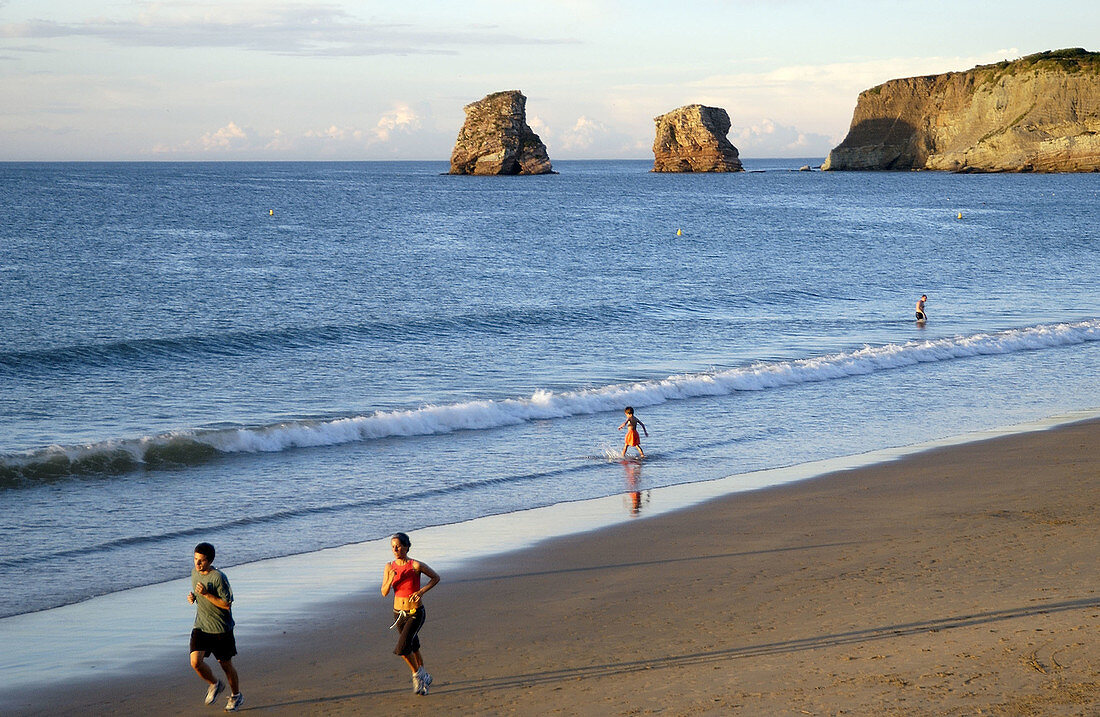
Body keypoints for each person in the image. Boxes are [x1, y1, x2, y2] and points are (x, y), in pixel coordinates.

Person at [381, 532, 441, 696]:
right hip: (398, 614)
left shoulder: (415, 565)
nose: (395, 549)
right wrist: (390, 579)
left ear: (406, 547)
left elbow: (435, 577)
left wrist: (421, 591)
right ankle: (422, 681)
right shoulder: (389, 567)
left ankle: (420, 675)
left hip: (415, 612)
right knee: (413, 647)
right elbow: (384, 592)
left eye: (398, 546)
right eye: (393, 546)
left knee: (402, 648)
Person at [187, 542, 243, 712]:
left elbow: (226, 605)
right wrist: (193, 598)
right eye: (195, 559)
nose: (197, 564)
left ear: (210, 561)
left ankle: (236, 695)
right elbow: (199, 595)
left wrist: (206, 594)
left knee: (226, 665)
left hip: (221, 629)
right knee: (195, 662)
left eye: (201, 561)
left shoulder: (219, 577)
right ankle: (214, 684)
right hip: (202, 625)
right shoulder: (194, 574)